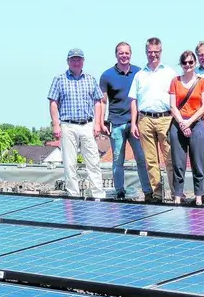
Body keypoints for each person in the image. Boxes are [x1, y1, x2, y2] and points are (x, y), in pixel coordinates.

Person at [47, 48, 106, 199]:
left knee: (93, 161)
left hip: (87, 125)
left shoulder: (90, 79)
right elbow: (53, 102)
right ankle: (73, 195)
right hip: (68, 125)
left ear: (83, 61)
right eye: (73, 59)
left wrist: (98, 123)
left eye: (78, 59)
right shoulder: (59, 79)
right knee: (69, 163)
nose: (76, 62)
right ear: (68, 62)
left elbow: (98, 102)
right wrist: (56, 124)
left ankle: (98, 194)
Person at [98, 42, 151, 200]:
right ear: (116, 55)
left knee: (141, 159)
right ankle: (120, 190)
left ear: (131, 54)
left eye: (127, 53)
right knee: (117, 160)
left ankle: (148, 191)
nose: (124, 56)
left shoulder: (139, 72)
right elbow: (102, 101)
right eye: (121, 53)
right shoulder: (107, 75)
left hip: (136, 123)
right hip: (117, 123)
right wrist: (101, 122)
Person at [128, 37, 178, 202]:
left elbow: (176, 98)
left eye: (156, 52)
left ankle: (175, 193)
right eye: (150, 52)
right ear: (146, 52)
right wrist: (134, 123)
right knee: (150, 161)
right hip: (145, 120)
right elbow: (133, 101)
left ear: (161, 52)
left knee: (170, 158)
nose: (153, 55)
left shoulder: (170, 73)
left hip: (166, 119)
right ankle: (157, 194)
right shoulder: (140, 75)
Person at [168, 50, 204, 205]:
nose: (187, 65)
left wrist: (189, 123)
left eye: (190, 62)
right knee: (178, 163)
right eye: (184, 62)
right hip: (178, 123)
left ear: (195, 64)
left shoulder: (202, 82)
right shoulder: (175, 81)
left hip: (197, 124)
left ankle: (200, 196)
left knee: (199, 161)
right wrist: (182, 123)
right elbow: (173, 106)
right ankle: (178, 195)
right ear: (181, 64)